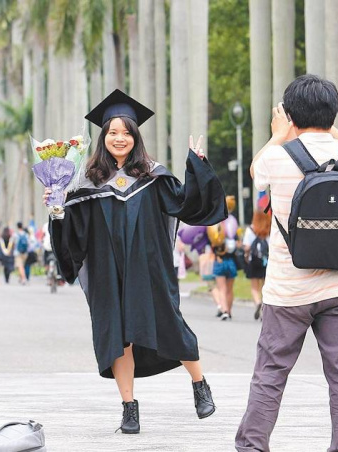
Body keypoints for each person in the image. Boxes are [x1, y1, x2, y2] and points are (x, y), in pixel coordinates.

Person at [48, 90, 226, 433]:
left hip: (149, 267)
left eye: (126, 132)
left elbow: (187, 204)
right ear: (103, 137)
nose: (120, 138)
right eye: (113, 132)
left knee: (170, 323)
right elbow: (73, 232)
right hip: (106, 271)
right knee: (118, 335)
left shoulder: (152, 175)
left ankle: (199, 384)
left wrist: (198, 166)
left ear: (135, 137)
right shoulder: (87, 182)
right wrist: (57, 208)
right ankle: (129, 407)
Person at [236, 75, 338, 452]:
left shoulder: (276, 157)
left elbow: (255, 173)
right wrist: (331, 127)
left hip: (289, 288)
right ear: (333, 112)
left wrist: (280, 133)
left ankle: (252, 445)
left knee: (271, 372)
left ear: (289, 114)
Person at [208, 196, 240, 321]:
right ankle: (230, 311)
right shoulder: (233, 222)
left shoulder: (215, 223)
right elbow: (237, 241)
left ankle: (225, 310)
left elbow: (211, 242)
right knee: (230, 289)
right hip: (231, 261)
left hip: (219, 260)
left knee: (222, 288)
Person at [242, 197, 270, 321]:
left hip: (253, 261)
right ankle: (264, 309)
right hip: (266, 261)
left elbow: (246, 247)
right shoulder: (270, 229)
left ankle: (257, 302)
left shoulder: (250, 230)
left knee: (254, 286)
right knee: (265, 286)